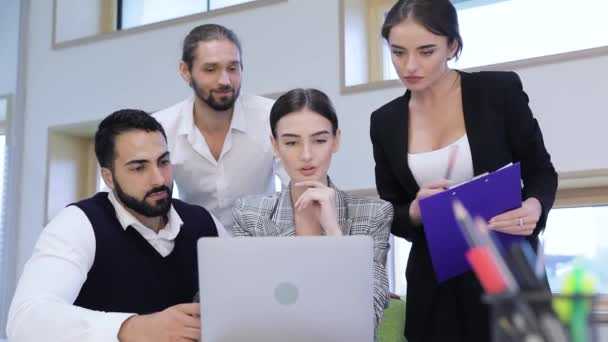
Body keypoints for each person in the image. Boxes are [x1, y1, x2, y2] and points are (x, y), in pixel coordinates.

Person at [369, 0, 558, 341]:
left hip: (508, 266)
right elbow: (391, 209)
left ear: (452, 46)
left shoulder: (497, 92)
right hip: (437, 281)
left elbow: (541, 171)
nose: (410, 65)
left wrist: (534, 207)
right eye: (398, 52)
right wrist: (413, 210)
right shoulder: (384, 122)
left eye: (426, 51)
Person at [7, 110, 219, 342]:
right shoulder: (79, 224)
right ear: (108, 177)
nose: (158, 179)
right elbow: (25, 320)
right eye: (139, 168)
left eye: (164, 162)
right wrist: (133, 328)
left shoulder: (203, 222)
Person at [232, 88, 393, 328]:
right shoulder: (250, 213)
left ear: (336, 140)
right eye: (291, 142)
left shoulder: (373, 214)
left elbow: (366, 318)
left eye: (319, 140)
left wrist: (334, 232)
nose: (306, 155)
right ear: (275, 145)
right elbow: (244, 309)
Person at [154, 24, 286, 235]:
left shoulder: (272, 117)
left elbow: (298, 186)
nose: (224, 80)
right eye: (210, 69)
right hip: (194, 249)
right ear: (185, 71)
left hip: (264, 244)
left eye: (232, 68)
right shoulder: (160, 129)